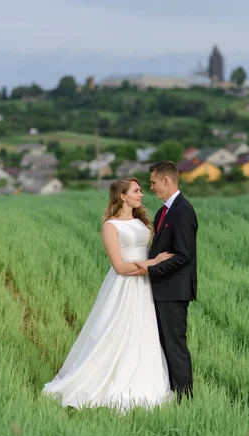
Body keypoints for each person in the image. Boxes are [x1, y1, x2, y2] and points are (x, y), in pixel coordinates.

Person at [43, 177, 174, 411]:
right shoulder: (110, 226)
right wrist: (153, 263)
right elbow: (120, 267)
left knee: (143, 332)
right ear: (122, 196)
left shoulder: (143, 223)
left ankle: (144, 378)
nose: (141, 194)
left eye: (141, 190)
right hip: (123, 286)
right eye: (136, 190)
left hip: (144, 286)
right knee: (111, 331)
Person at [128, 161, 198, 402]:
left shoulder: (183, 211)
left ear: (166, 181)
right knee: (163, 345)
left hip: (173, 291)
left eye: (154, 183)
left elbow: (184, 256)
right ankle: (168, 391)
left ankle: (184, 398)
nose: (152, 188)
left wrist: (152, 268)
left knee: (175, 345)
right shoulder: (163, 212)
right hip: (161, 290)